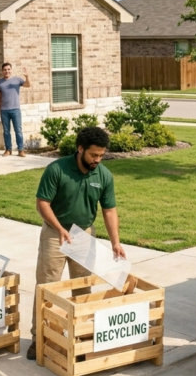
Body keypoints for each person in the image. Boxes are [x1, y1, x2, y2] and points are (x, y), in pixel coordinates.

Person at [27, 126, 127, 360]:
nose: (97, 160)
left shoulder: (103, 175)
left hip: (84, 234)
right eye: (93, 155)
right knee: (48, 285)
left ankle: (81, 336)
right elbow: (42, 203)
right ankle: (39, 337)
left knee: (82, 286)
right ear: (80, 149)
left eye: (101, 155)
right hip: (55, 232)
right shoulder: (57, 170)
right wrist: (60, 229)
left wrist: (115, 242)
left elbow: (109, 210)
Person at [0, 62, 31, 157]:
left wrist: (27, 76)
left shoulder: (17, 80)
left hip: (15, 109)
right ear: (2, 71)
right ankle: (8, 149)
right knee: (6, 131)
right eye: (5, 70)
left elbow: (28, 85)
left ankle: (21, 150)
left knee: (18, 130)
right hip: (4, 110)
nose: (7, 71)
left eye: (8, 69)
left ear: (11, 70)